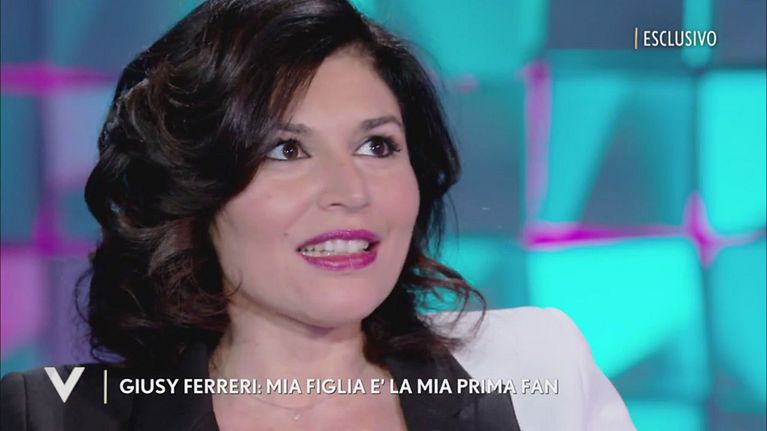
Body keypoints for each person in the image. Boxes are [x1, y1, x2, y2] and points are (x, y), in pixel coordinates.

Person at [0, 0, 636, 430]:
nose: (349, 191)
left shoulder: (537, 372)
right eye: (286, 150)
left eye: (377, 146)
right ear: (195, 190)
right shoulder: (51, 416)